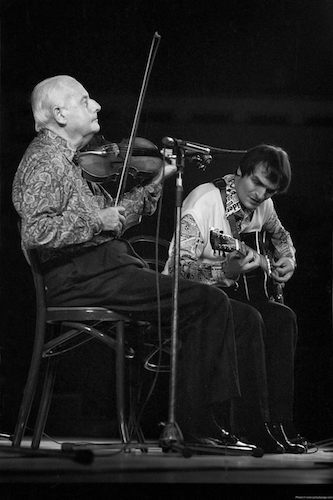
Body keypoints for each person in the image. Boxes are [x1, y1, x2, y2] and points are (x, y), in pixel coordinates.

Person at [12, 75, 263, 454]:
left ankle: (231, 421)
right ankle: (192, 425)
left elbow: (114, 217)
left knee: (236, 314)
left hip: (104, 270)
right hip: (84, 277)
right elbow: (37, 232)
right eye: (85, 100)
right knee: (206, 303)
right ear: (60, 113)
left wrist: (159, 180)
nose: (95, 106)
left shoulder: (70, 163)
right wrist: (99, 221)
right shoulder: (46, 161)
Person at [164, 144, 306, 453]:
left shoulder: (263, 207)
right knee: (248, 317)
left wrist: (288, 259)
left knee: (283, 318)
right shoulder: (204, 201)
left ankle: (279, 422)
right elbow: (176, 271)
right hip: (191, 300)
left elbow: (280, 236)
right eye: (256, 182)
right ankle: (250, 423)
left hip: (228, 295)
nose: (259, 195)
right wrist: (222, 270)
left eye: (268, 191)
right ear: (241, 171)